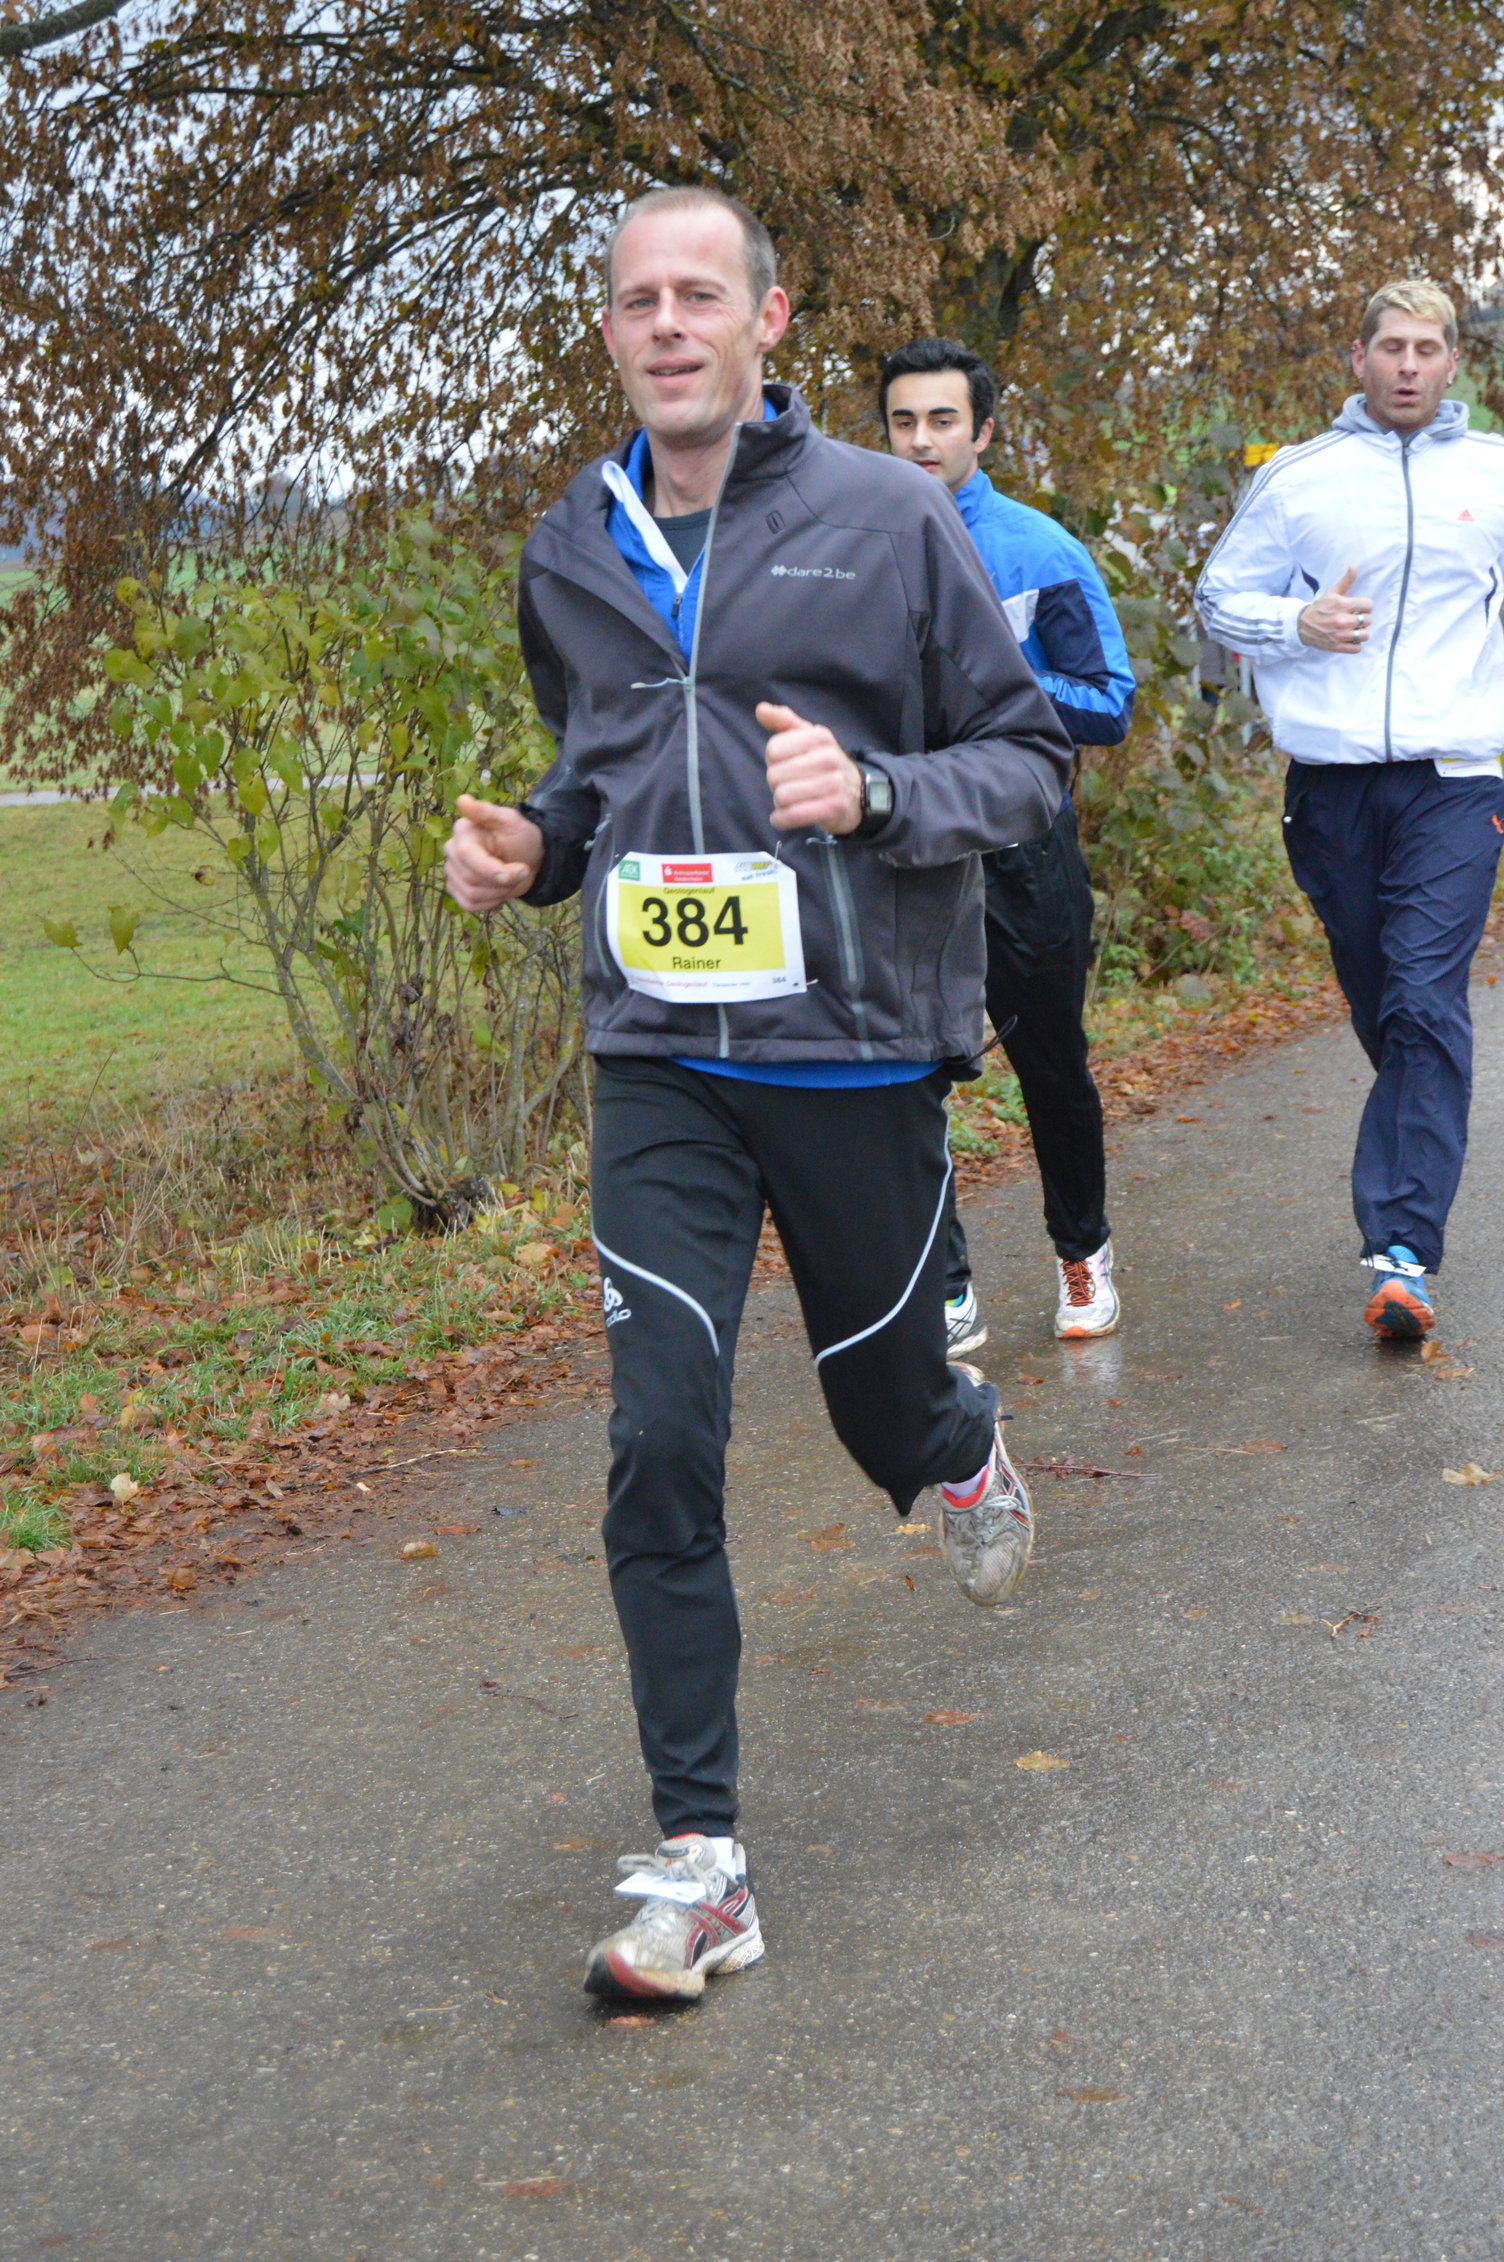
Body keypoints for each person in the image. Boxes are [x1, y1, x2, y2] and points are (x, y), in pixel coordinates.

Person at [444, 187, 1074, 2002]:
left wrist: (874, 793)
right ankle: (701, 1861)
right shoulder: (574, 540)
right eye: (637, 299)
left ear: (767, 320)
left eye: (698, 294)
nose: (667, 323)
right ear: (609, 331)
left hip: (848, 1040)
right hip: (657, 1051)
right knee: (658, 1428)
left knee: (883, 1404)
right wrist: (534, 849)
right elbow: (599, 774)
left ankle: (955, 1450)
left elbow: (1027, 759)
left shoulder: (887, 518)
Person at [1197, 278, 1504, 1340]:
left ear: (1454, 362)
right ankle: (1419, 1134)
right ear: (1359, 358)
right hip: (1330, 785)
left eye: (1427, 348)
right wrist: (1297, 625)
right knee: (1384, 1003)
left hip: (1455, 778)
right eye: (1391, 347)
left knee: (1424, 995)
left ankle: (1403, 1252)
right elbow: (1218, 596)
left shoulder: (1493, 474)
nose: (1408, 365)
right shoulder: (1299, 478)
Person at [880, 338, 1136, 1347]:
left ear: (981, 431)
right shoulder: (847, 550)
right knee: (905, 1077)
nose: (922, 439)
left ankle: (1083, 1254)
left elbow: (1108, 704)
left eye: (942, 420)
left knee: (1051, 1065)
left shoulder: (1041, 551)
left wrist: (990, 685)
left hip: (1023, 846)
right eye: (903, 420)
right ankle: (945, 1287)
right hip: (900, 846)